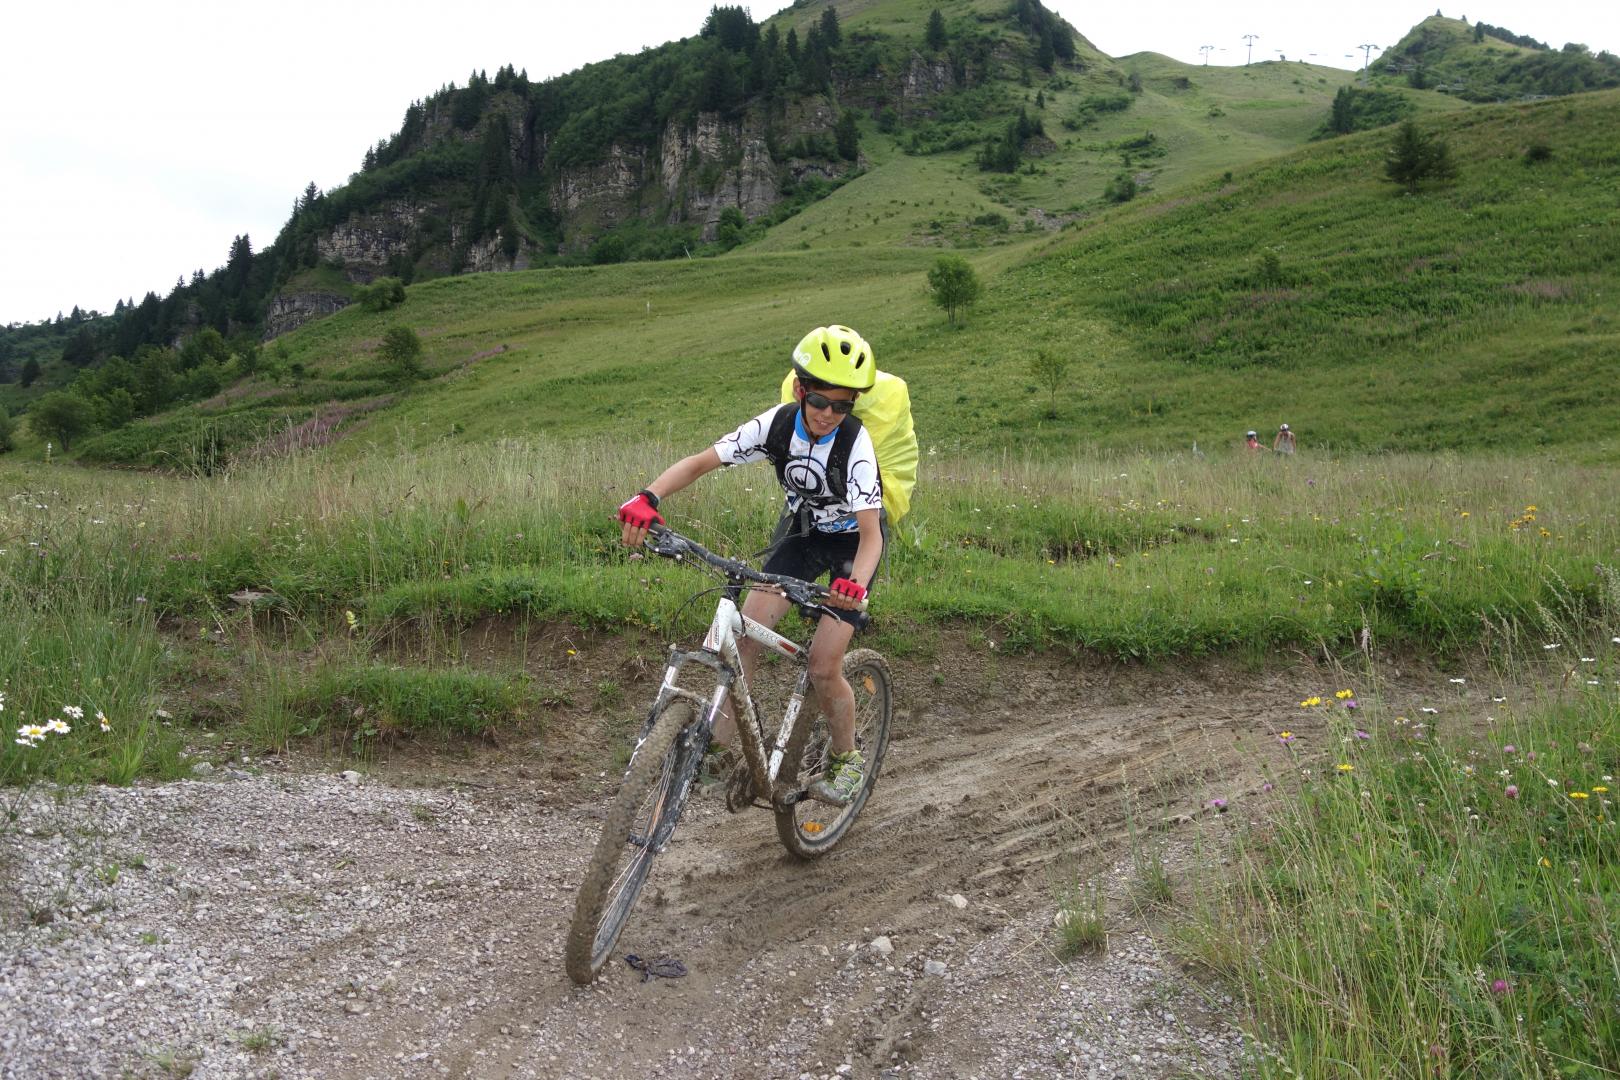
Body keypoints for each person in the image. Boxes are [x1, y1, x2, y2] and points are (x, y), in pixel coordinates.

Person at [616, 325, 885, 805]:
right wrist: (648, 496)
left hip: (850, 548)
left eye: (842, 406)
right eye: (821, 400)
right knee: (744, 637)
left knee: (824, 665)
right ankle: (718, 753)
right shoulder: (778, 425)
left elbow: (871, 536)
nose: (828, 414)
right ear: (801, 389)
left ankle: (848, 761)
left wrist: (855, 586)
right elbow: (702, 462)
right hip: (802, 536)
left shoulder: (855, 446)